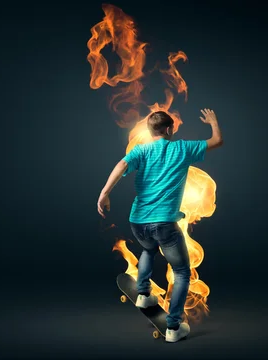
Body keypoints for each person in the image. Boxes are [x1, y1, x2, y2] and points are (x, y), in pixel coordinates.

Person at [97, 109, 223, 343]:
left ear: (151, 131)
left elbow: (121, 166)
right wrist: (214, 122)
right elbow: (217, 141)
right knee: (182, 272)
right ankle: (174, 328)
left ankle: (143, 292)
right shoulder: (182, 148)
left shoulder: (141, 151)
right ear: (168, 130)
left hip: (138, 221)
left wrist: (104, 193)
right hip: (165, 223)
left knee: (148, 250)